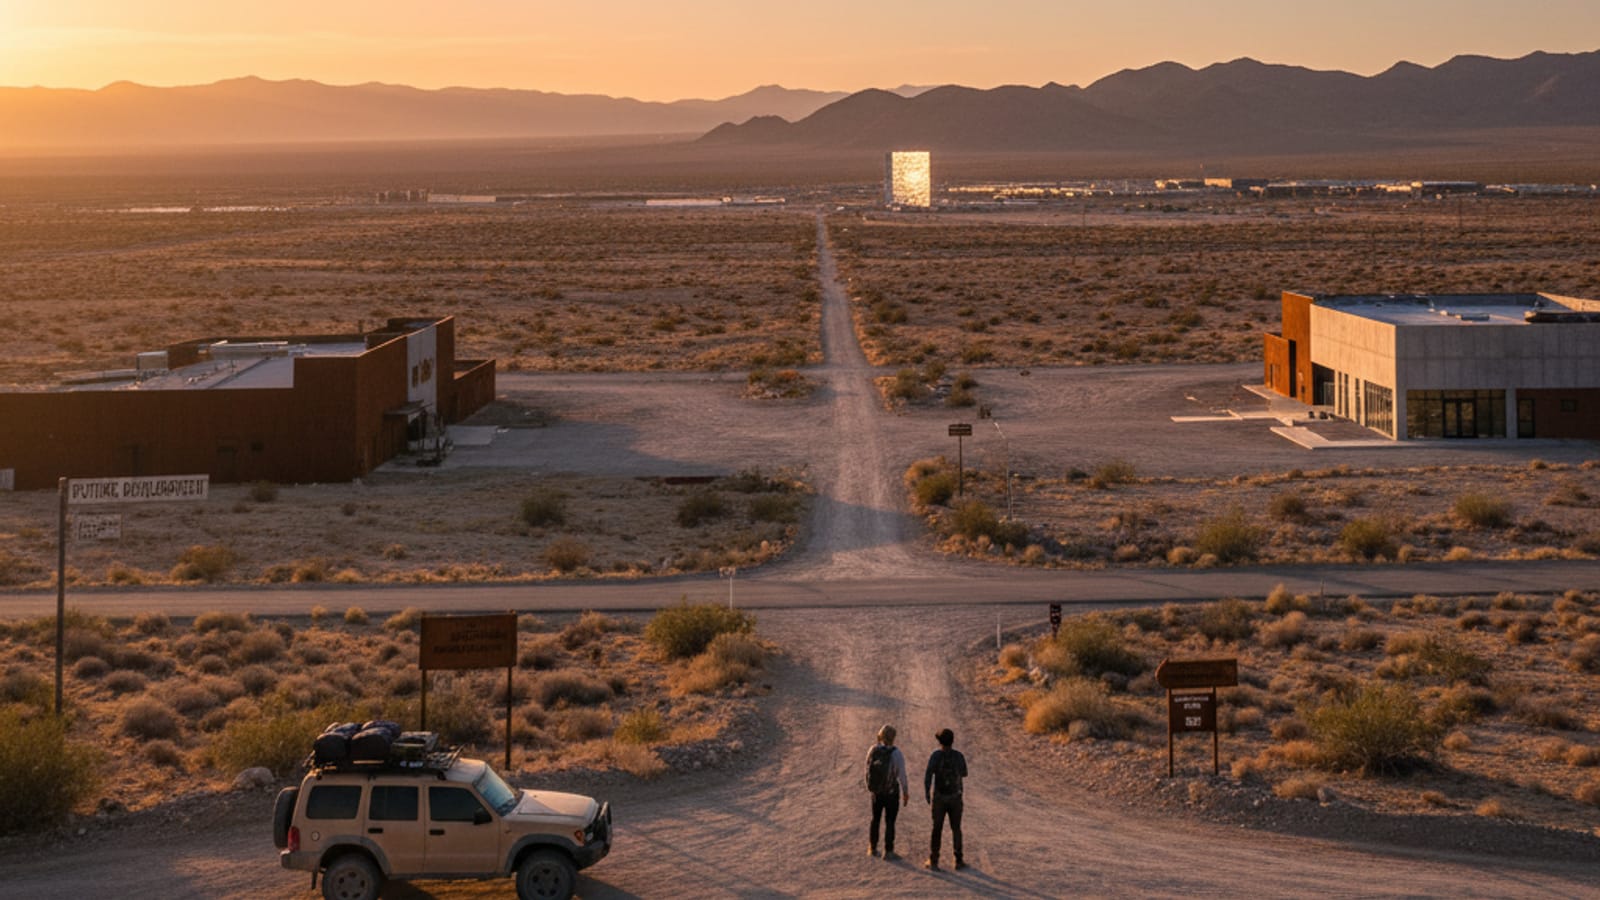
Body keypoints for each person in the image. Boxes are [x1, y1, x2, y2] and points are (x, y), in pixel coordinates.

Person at [923, 727, 968, 871]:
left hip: (939, 797)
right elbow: (964, 773)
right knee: (956, 828)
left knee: (937, 828)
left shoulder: (936, 756)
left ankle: (934, 859)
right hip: (955, 796)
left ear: (940, 742)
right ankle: (958, 860)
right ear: (952, 741)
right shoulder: (958, 756)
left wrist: (927, 792)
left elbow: (928, 774)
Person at [865, 724, 909, 860]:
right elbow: (902, 775)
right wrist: (905, 792)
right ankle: (888, 851)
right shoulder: (896, 753)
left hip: (876, 792)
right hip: (891, 792)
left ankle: (872, 847)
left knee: (875, 819)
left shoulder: (873, 750)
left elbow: (867, 768)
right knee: (890, 821)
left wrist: (870, 787)